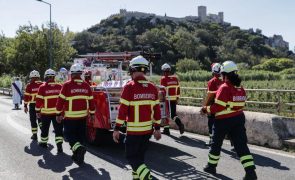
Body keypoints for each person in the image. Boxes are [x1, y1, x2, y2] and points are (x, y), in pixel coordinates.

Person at [201, 61, 257, 180]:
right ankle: (251, 172)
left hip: (223, 120)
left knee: (216, 144)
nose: (221, 76)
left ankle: (211, 166)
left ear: (225, 74)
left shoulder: (224, 87)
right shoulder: (240, 88)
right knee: (241, 146)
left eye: (222, 74)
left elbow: (218, 107)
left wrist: (206, 109)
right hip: (238, 119)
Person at [113, 55, 161, 180]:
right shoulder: (153, 87)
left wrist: (117, 129)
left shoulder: (129, 87)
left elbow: (122, 111)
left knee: (131, 157)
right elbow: (157, 111)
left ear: (132, 70)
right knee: (139, 158)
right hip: (147, 132)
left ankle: (148, 177)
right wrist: (157, 129)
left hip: (134, 132)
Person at [56, 63, 95, 165]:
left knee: (70, 136)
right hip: (83, 117)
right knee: (80, 136)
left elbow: (60, 101)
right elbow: (91, 102)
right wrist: (92, 114)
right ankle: (77, 155)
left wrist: (58, 113)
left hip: (70, 117)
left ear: (72, 74)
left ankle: (78, 150)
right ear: (81, 73)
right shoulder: (86, 86)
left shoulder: (67, 85)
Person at [35, 69, 63, 153]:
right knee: (58, 130)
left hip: (46, 113)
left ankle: (43, 143)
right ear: (54, 77)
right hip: (57, 113)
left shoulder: (42, 87)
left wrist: (37, 111)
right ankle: (59, 146)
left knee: (45, 129)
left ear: (46, 77)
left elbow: (39, 101)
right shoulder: (60, 86)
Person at [160, 63, 184, 135]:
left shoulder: (163, 79)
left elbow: (162, 90)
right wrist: (177, 98)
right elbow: (178, 88)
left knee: (167, 114)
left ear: (163, 71)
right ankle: (167, 129)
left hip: (167, 99)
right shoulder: (175, 78)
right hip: (174, 98)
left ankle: (179, 125)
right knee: (173, 113)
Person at [203, 63, 223, 146]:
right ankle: (233, 142)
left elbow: (210, 96)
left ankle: (212, 140)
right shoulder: (224, 81)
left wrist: (205, 107)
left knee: (211, 123)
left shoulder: (211, 81)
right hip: (222, 105)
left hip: (213, 106)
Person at [24, 70, 43, 140]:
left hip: (32, 105)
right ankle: (43, 132)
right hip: (41, 105)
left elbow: (26, 97)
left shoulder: (29, 85)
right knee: (41, 120)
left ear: (31, 77)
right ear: (38, 77)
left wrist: (25, 106)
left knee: (33, 120)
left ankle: (35, 135)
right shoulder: (42, 84)